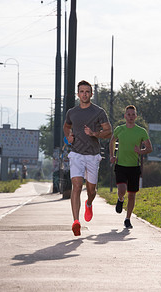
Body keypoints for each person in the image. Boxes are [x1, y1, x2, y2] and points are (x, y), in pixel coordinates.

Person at [63, 80, 112, 236]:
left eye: (87, 91)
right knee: (76, 186)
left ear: (91, 93)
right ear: (78, 94)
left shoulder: (98, 112)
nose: (84, 94)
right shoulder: (72, 112)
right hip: (76, 154)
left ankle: (89, 203)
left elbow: (109, 131)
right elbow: (66, 126)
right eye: (81, 91)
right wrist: (68, 137)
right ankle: (76, 221)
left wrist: (94, 134)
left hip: (92, 155)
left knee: (91, 190)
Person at [109, 105, 152, 228]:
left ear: (136, 116)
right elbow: (112, 141)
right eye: (129, 114)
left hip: (134, 166)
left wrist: (140, 151)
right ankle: (120, 199)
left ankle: (127, 218)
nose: (131, 117)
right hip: (121, 165)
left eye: (133, 114)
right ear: (125, 116)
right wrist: (112, 156)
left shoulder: (141, 131)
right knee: (122, 189)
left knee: (132, 194)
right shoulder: (119, 129)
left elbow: (149, 148)